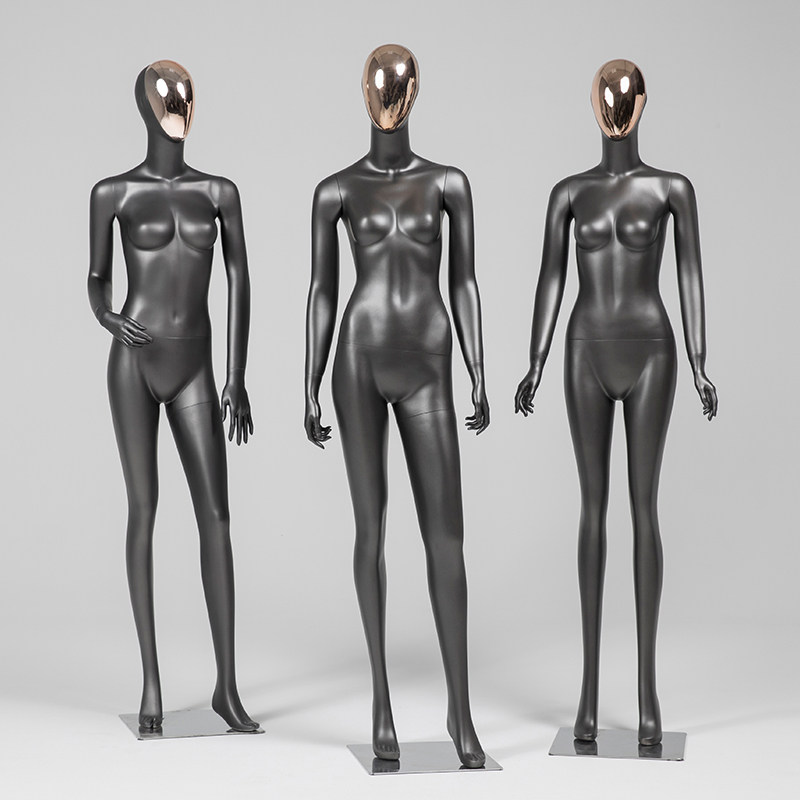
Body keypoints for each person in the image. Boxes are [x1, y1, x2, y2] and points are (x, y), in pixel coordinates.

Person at [514, 59, 718, 746]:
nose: (616, 106)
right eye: (606, 95)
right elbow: (550, 277)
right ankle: (589, 694)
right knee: (593, 510)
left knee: (643, 509)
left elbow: (689, 273)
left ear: (643, 104)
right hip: (584, 350)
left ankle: (647, 692)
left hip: (652, 348)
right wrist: (535, 360)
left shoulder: (671, 190)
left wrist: (699, 362)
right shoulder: (570, 193)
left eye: (626, 95)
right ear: (592, 105)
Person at [304, 45, 488, 767]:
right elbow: (322, 290)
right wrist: (309, 378)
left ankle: (459, 709)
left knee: (447, 536)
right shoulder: (335, 190)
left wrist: (478, 367)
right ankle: (380, 701)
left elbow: (465, 281)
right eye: (379, 84)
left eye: (400, 84)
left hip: (428, 361)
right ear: (363, 93)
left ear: (415, 95)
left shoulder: (448, 183)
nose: (388, 95)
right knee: (371, 529)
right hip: (359, 357)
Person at [88, 60, 258, 733]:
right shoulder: (113, 193)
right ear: (144, 107)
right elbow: (97, 277)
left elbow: (241, 278)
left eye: (186, 93)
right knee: (144, 510)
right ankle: (152, 682)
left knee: (216, 515)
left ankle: (227, 688)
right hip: (135, 359)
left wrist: (236, 375)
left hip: (195, 366)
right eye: (166, 95)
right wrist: (105, 315)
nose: (178, 104)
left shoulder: (219, 192)